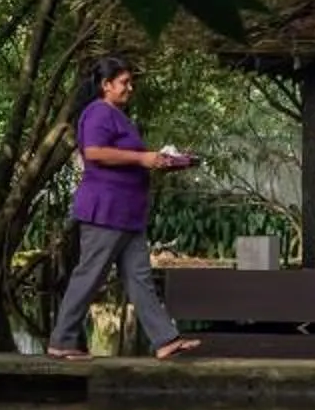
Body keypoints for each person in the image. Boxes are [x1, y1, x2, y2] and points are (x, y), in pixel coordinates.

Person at [46, 54, 202, 361]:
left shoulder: (119, 116)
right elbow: (94, 152)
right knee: (90, 275)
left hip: (129, 214)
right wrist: (142, 159)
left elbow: (130, 158)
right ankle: (61, 341)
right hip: (106, 211)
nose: (130, 88)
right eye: (124, 82)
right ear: (106, 85)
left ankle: (164, 340)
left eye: (131, 82)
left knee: (140, 277)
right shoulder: (97, 113)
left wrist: (163, 162)